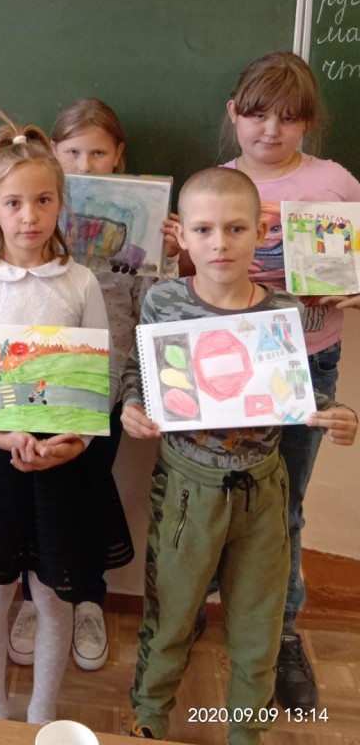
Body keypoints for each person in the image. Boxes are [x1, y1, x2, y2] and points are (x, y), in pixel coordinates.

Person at [121, 166, 357, 744]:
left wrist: (336, 413)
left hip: (262, 489)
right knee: (172, 613)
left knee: (259, 623)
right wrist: (133, 404)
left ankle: (246, 731)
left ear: (261, 233)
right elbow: (138, 370)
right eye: (203, 230)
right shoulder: (164, 301)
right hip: (187, 489)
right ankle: (149, 717)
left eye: (235, 228)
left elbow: (298, 391)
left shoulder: (282, 309)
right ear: (182, 235)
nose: (219, 244)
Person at [0, 113, 132, 725]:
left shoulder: (80, 283)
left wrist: (76, 440)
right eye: (14, 203)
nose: (29, 216)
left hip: (62, 461)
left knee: (53, 593)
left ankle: (43, 711)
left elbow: (100, 380)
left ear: (61, 204)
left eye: (43, 200)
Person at [9, 98, 176, 672]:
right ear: (53, 154)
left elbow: (153, 308)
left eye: (98, 152)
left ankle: (86, 599)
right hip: (39, 382)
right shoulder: (34, 213)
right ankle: (34, 600)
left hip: (105, 387)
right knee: (36, 497)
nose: (85, 163)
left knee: (87, 495)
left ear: (118, 155)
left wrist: (169, 255)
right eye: (73, 152)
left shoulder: (137, 224)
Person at [223, 51, 360, 710]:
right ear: (234, 114)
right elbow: (193, 279)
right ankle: (213, 613)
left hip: (309, 363)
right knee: (223, 496)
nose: (270, 130)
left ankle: (280, 636)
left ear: (308, 122)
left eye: (288, 118)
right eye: (257, 115)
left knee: (285, 509)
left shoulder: (335, 183)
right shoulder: (218, 185)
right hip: (232, 365)